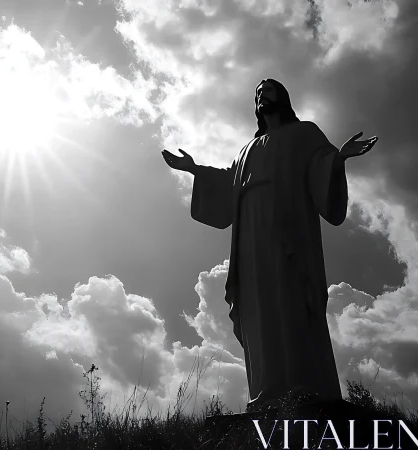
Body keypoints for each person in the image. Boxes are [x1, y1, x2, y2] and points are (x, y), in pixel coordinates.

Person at [162, 79, 378, 411]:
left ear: (283, 97)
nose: (262, 97)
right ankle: (268, 392)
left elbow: (322, 163)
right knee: (258, 306)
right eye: (257, 94)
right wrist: (195, 170)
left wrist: (338, 159)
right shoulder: (247, 149)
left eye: (268, 91)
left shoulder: (304, 133)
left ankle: (305, 390)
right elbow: (230, 182)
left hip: (288, 230)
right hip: (250, 234)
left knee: (290, 299)